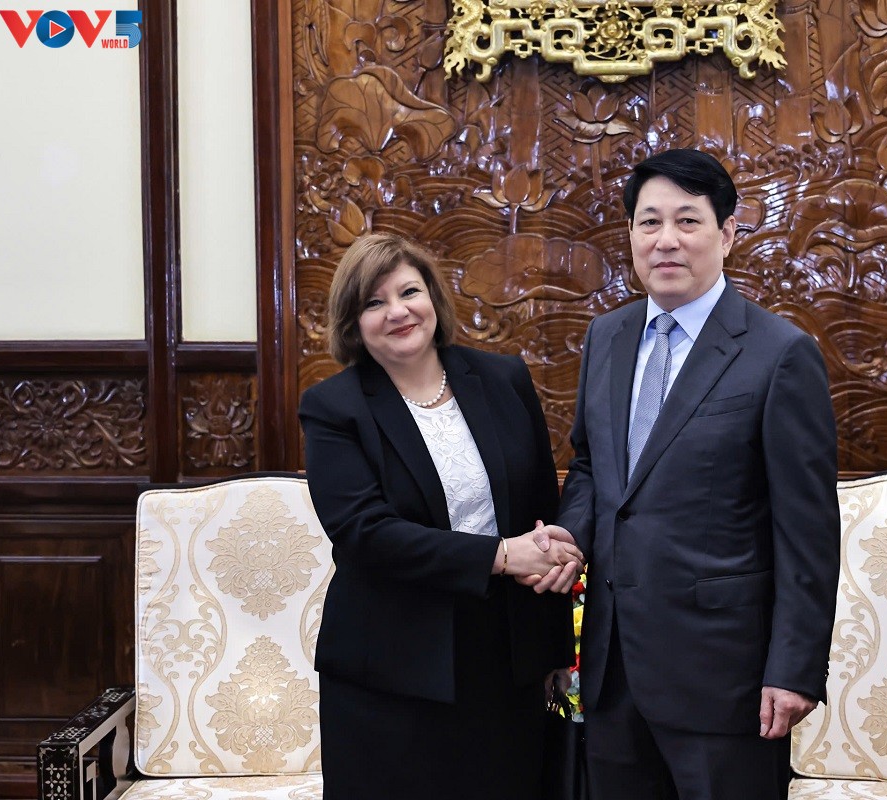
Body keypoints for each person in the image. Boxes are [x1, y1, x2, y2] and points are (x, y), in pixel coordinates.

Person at [537, 148, 840, 799]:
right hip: (613, 667)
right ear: (630, 234)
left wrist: (794, 668)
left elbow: (807, 530)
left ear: (726, 233)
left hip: (724, 677)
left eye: (687, 221)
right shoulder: (606, 337)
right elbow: (591, 466)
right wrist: (572, 535)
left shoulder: (780, 354)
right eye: (650, 222)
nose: (666, 240)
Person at [298, 233, 583, 800]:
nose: (398, 311)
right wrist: (500, 556)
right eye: (374, 302)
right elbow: (364, 534)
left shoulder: (503, 378)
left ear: (433, 297)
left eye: (409, 291)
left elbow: (539, 516)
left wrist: (554, 650)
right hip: (390, 670)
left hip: (505, 661)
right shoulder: (334, 407)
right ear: (353, 322)